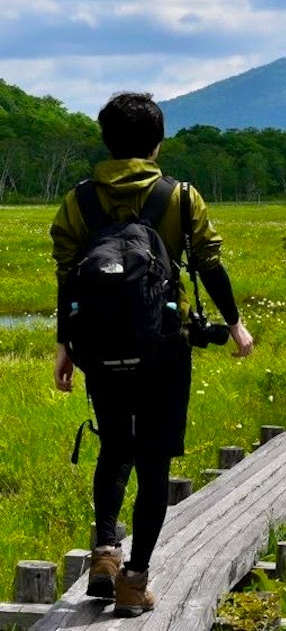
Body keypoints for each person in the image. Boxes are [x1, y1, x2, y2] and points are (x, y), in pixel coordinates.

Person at [51, 92, 254, 617]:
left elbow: (68, 275)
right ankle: (134, 580)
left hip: (99, 349)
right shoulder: (181, 197)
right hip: (166, 346)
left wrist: (64, 344)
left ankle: (102, 554)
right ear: (157, 143)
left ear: (106, 141)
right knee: (154, 461)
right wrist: (235, 324)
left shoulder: (79, 200)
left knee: (114, 446)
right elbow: (209, 264)